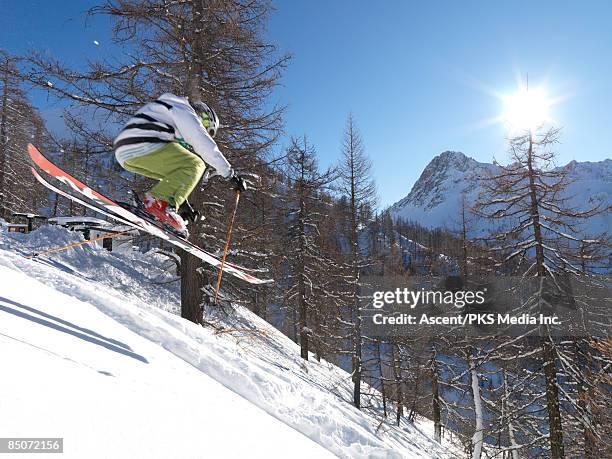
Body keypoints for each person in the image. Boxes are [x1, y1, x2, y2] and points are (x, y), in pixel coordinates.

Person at [113, 93, 247, 234]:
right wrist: (229, 174)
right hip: (145, 143)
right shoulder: (184, 111)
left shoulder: (168, 111)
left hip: (125, 154)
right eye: (206, 125)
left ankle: (163, 206)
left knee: (176, 171)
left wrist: (182, 203)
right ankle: (158, 202)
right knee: (196, 164)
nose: (204, 129)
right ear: (202, 115)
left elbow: (174, 177)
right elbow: (202, 142)